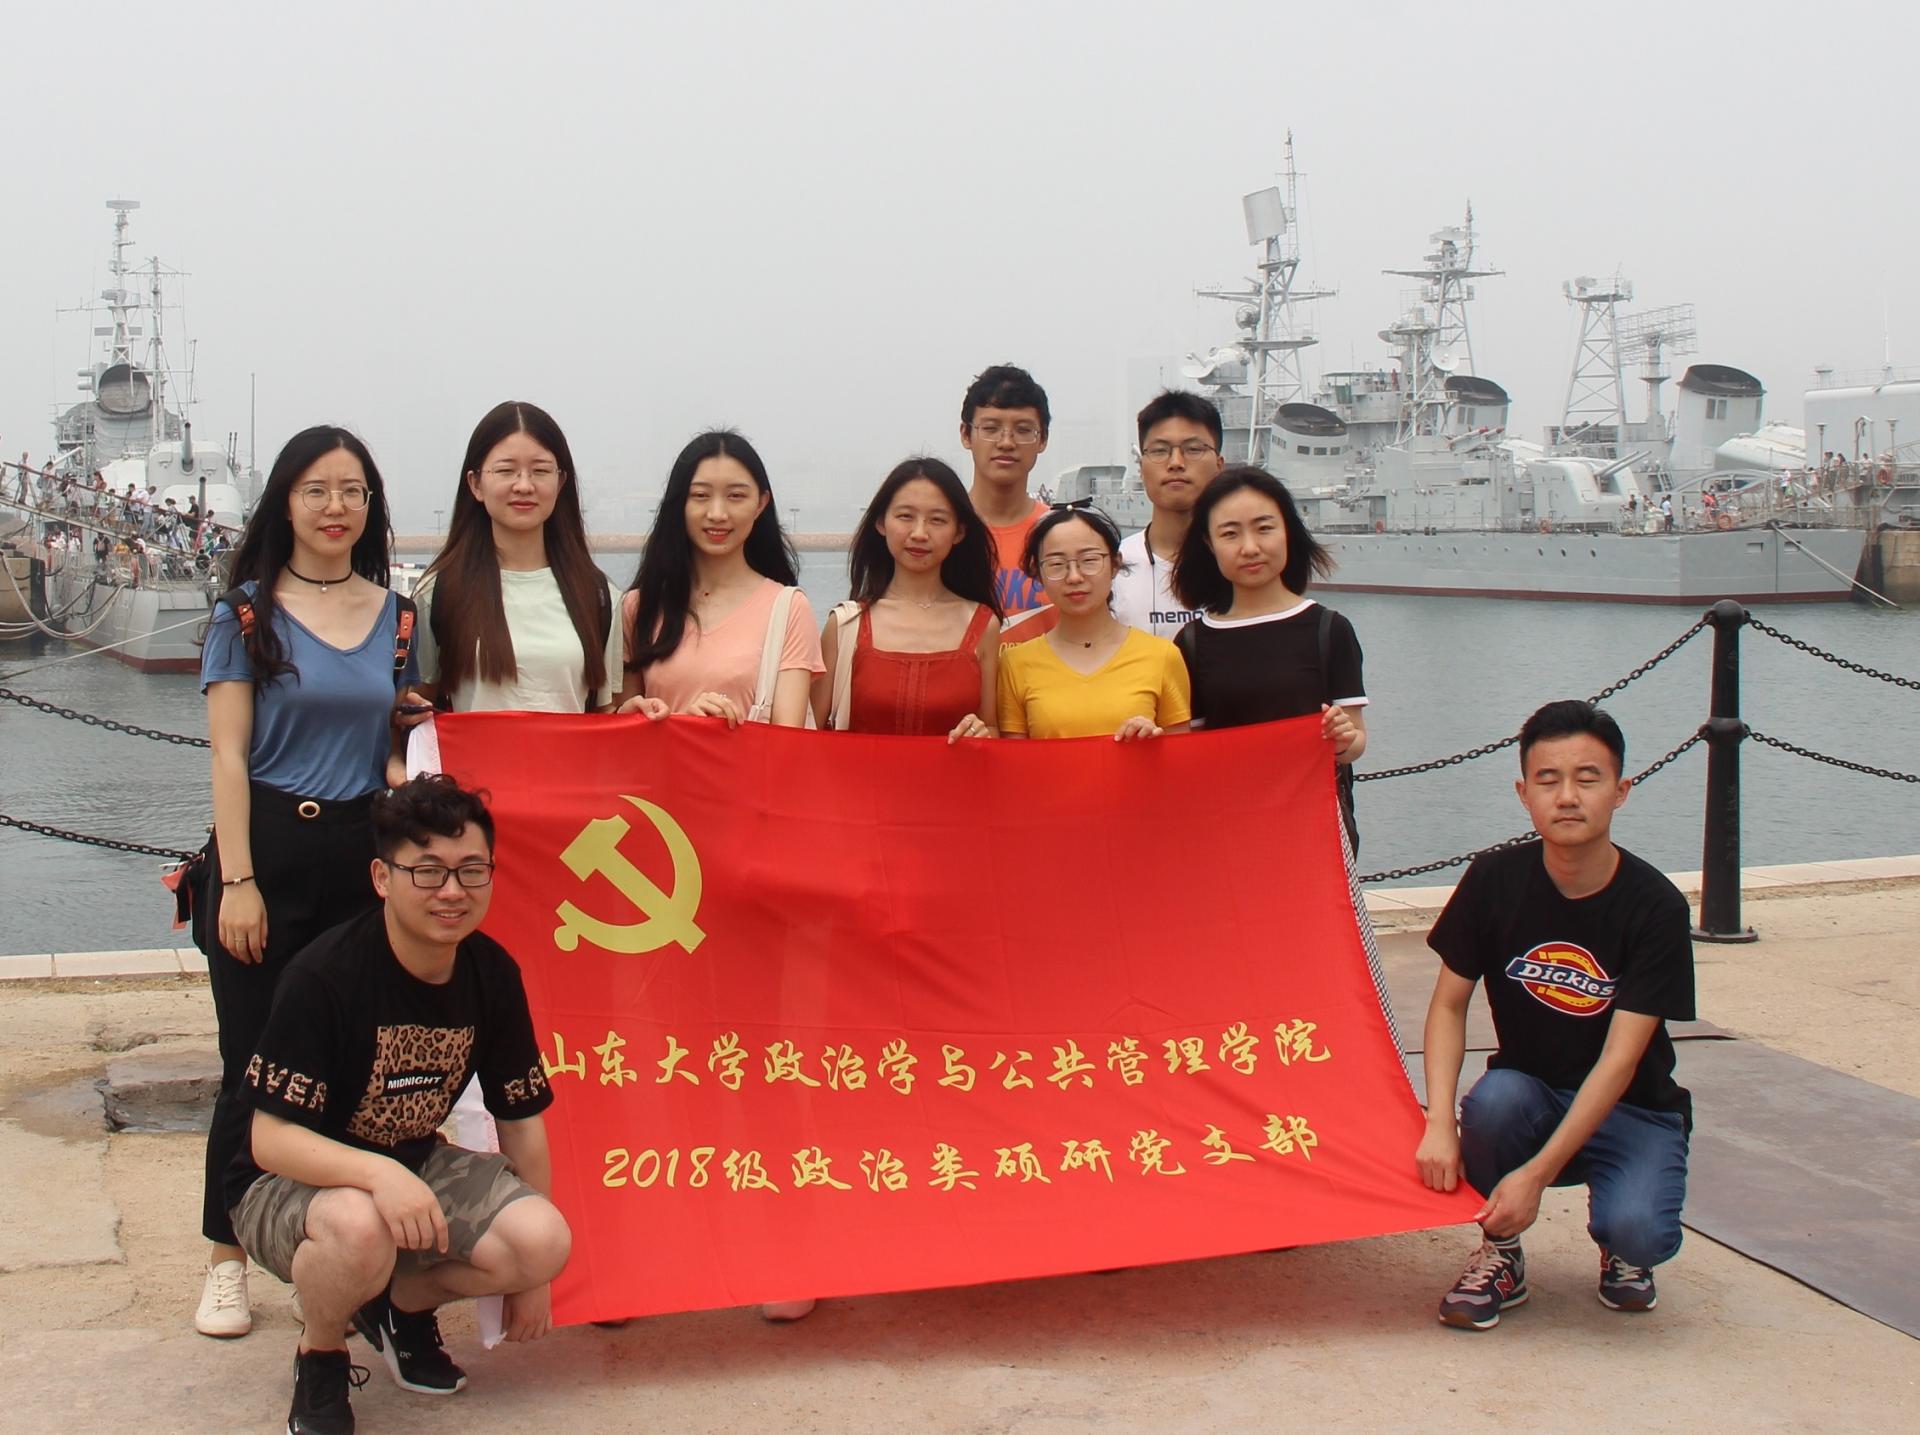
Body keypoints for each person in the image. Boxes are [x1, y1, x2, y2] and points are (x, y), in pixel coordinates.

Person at [226, 776, 569, 1434]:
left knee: (542, 1241)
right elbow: (269, 1140)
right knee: (360, 1227)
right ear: (382, 877)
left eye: (471, 869)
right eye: (428, 871)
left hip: (413, 1162)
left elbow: (521, 1120)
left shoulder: (491, 972)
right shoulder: (324, 976)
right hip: (281, 1184)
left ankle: (399, 1305)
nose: (452, 890)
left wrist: (534, 1279)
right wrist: (380, 1174)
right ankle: (322, 1354)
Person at [195, 425, 417, 1342]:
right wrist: (238, 880)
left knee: (345, 1068)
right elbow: (228, 754)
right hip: (268, 849)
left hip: (362, 857)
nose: (336, 507)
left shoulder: (399, 617)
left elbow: (397, 743)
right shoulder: (245, 614)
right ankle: (225, 1258)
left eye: (353, 491)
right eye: (317, 489)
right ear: (285, 501)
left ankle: (323, 1258)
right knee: (251, 1065)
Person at [1415, 700, 1694, 1331]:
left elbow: (1620, 1061)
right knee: (1491, 1105)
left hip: (1633, 1107)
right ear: (1524, 793)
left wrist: (1536, 1178)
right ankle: (1503, 1254)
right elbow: (1448, 1005)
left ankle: (1622, 1250)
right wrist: (1438, 1122)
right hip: (1532, 1096)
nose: (1567, 797)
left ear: (1621, 790)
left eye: (1588, 779)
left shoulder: (1655, 906)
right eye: (1548, 780)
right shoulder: (1493, 879)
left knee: (1640, 1231)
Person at [1169, 466, 1366, 849]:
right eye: (1230, 534)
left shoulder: (1330, 629)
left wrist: (1343, 738)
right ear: (1208, 543)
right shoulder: (1192, 642)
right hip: (1227, 833)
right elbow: (1191, 748)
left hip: (1314, 833)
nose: (1250, 547)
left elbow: (1356, 740)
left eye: (1264, 528)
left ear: (1287, 530)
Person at [408, 401, 621, 716]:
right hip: (472, 752)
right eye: (506, 471)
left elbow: (604, 714)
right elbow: (421, 704)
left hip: (568, 752)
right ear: (476, 484)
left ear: (560, 482)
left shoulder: (599, 594)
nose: (524, 485)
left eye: (540, 471)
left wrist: (636, 712)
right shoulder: (439, 592)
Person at [617, 430, 822, 730]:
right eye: (700, 495)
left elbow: (787, 738)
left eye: (736, 496)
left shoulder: (789, 609)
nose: (717, 513)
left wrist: (713, 731)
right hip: (662, 764)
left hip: (747, 764)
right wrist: (643, 715)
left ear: (761, 503)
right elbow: (623, 731)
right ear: (680, 503)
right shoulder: (638, 606)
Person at [814, 457, 1001, 738]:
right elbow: (809, 734)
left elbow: (992, 726)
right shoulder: (844, 625)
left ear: (959, 531)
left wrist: (982, 733)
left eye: (937, 520)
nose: (919, 533)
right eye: (905, 516)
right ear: (881, 522)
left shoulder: (983, 625)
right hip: (857, 770)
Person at [997, 506, 1190, 740]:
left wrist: (1152, 742)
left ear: (1115, 564)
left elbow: (1180, 754)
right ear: (1038, 573)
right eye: (1056, 564)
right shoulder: (1015, 664)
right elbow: (1015, 757)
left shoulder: (1163, 657)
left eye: (1089, 560)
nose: (1074, 576)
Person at [1112, 390, 1225, 637]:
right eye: (1159, 450)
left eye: (1193, 449)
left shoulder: (1240, 561)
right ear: (1141, 468)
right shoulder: (1112, 569)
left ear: (1219, 466)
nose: (1176, 463)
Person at [959, 364, 1054, 630]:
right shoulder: (941, 532)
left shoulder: (1060, 534)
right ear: (966, 434)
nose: (1006, 442)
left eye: (1023, 430)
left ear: (1042, 439)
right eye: (990, 428)